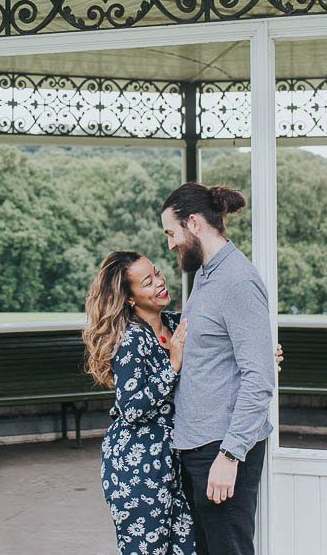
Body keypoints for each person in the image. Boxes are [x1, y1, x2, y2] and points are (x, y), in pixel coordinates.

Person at [162, 183, 276, 555]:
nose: (170, 244)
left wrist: (230, 456)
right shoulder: (207, 275)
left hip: (221, 449)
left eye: (171, 232)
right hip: (199, 444)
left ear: (193, 224)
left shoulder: (238, 281)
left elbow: (259, 380)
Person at [84, 250, 195, 555]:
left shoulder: (174, 324)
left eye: (157, 273)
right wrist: (172, 366)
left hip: (173, 462)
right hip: (138, 468)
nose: (160, 282)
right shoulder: (131, 339)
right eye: (147, 282)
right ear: (130, 298)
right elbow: (131, 407)